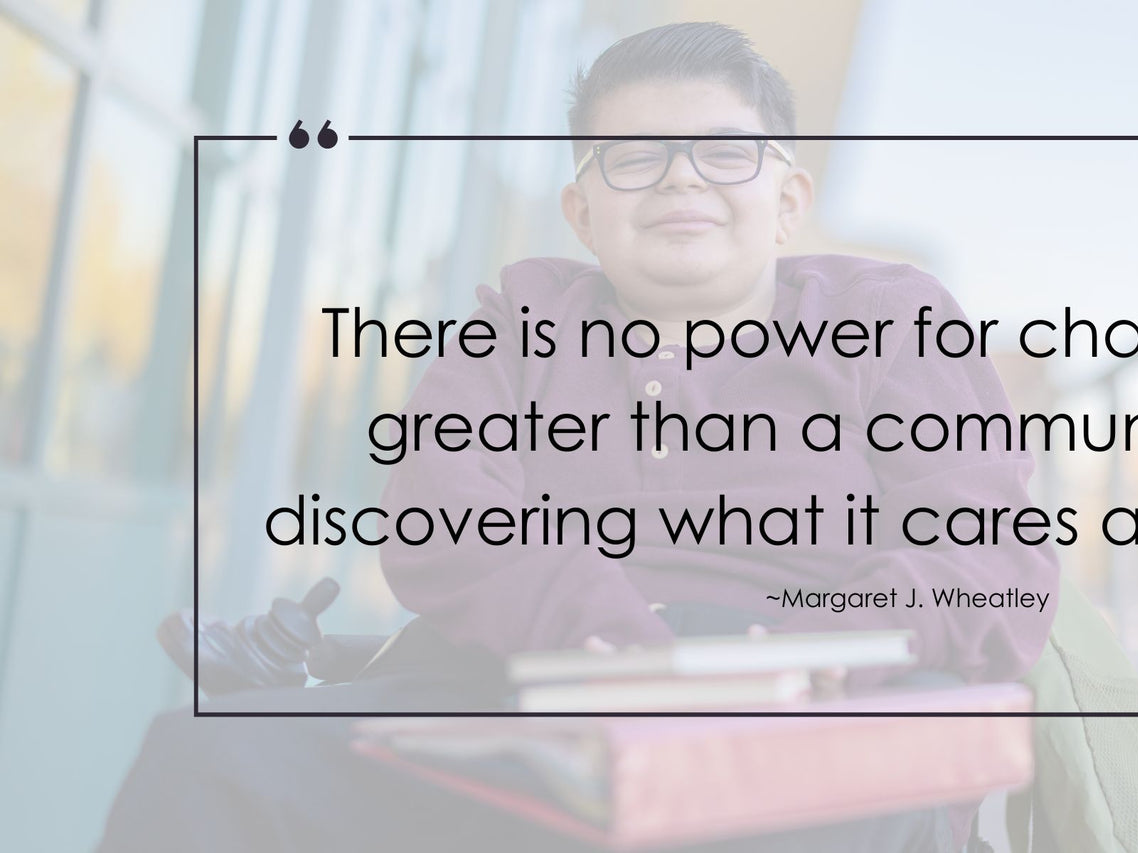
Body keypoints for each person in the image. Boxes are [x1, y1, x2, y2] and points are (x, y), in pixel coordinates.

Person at [100, 22, 1058, 852]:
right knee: (206, 754)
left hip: (802, 715)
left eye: (725, 152)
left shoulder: (893, 321)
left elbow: (997, 565)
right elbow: (438, 515)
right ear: (583, 212)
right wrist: (613, 650)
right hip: (531, 690)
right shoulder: (521, 321)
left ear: (789, 203)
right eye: (634, 156)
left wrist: (804, 649)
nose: (682, 176)